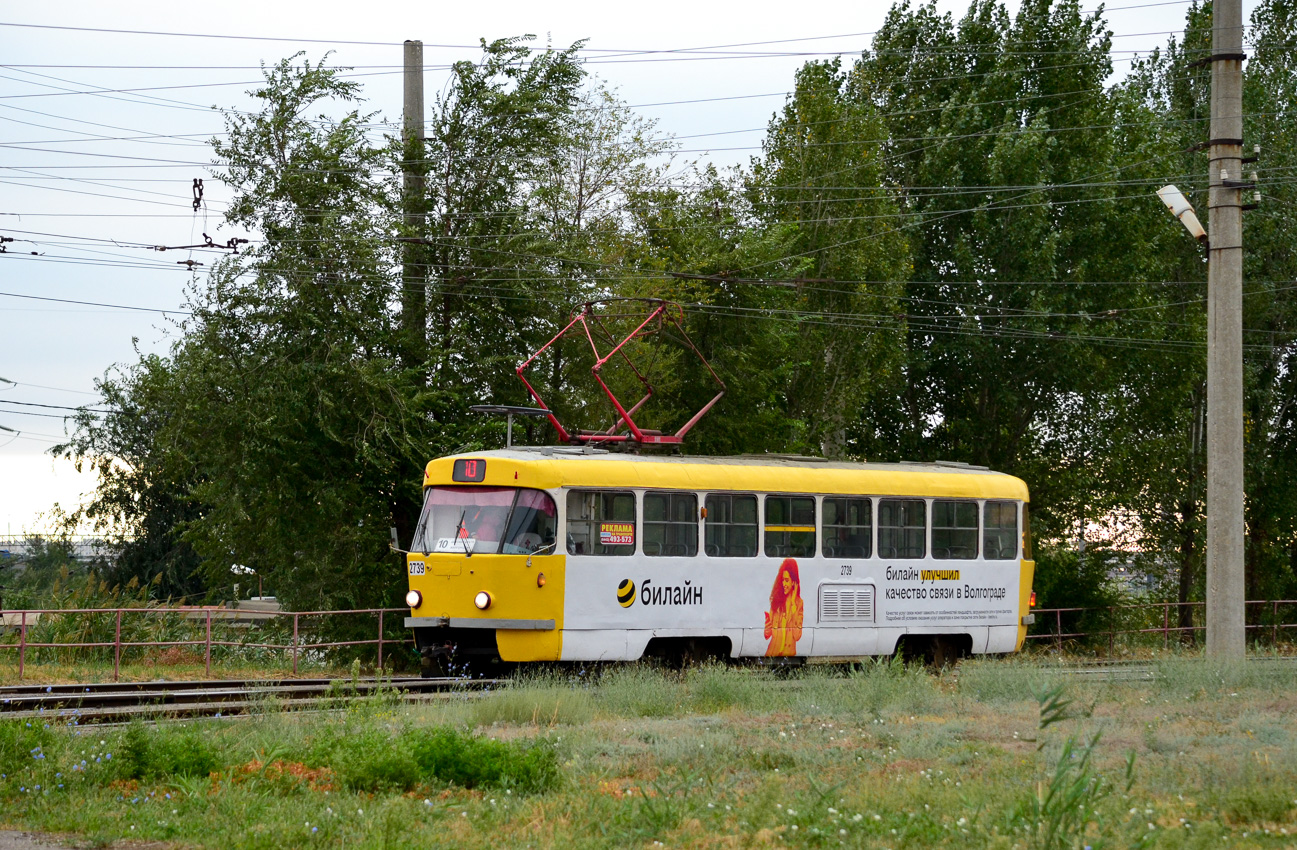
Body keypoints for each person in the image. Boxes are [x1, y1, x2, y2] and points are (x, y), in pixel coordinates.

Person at [764, 558, 804, 656]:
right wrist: (767, 627)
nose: (784, 584)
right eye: (782, 580)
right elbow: (767, 635)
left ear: (793, 582)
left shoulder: (799, 604)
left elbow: (797, 636)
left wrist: (793, 605)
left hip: (789, 653)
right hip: (772, 653)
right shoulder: (777, 601)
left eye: (787, 580)